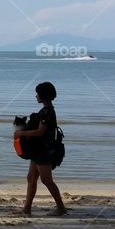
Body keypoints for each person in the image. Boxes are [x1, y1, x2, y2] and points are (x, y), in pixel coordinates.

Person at [14, 81, 67, 217]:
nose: (36, 96)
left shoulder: (47, 112)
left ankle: (61, 208)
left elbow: (40, 132)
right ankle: (27, 209)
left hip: (44, 151)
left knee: (46, 180)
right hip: (38, 150)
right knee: (31, 178)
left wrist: (21, 133)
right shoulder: (46, 110)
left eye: (37, 94)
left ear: (43, 95)